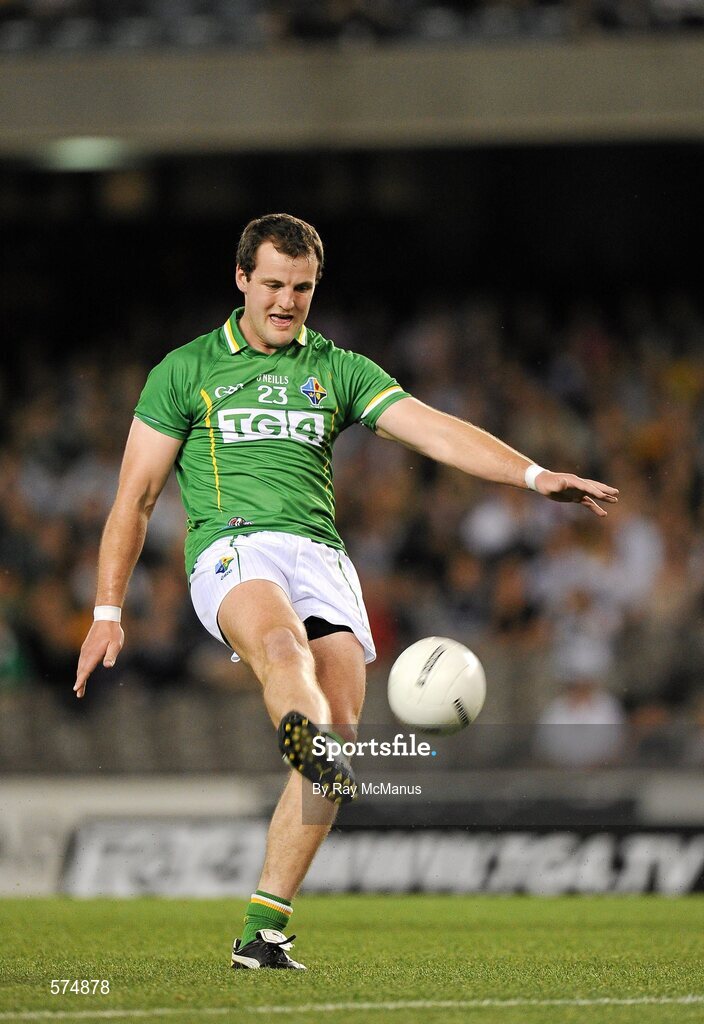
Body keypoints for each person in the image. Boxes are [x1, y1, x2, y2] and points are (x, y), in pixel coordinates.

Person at [74, 212, 618, 970]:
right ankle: (304, 741)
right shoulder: (186, 370)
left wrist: (531, 475)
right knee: (279, 646)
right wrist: (108, 610)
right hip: (233, 545)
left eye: (301, 288)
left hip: (321, 558)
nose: (286, 302)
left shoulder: (339, 370)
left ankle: (262, 930)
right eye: (272, 284)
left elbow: (432, 428)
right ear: (241, 279)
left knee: (343, 732)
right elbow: (133, 497)